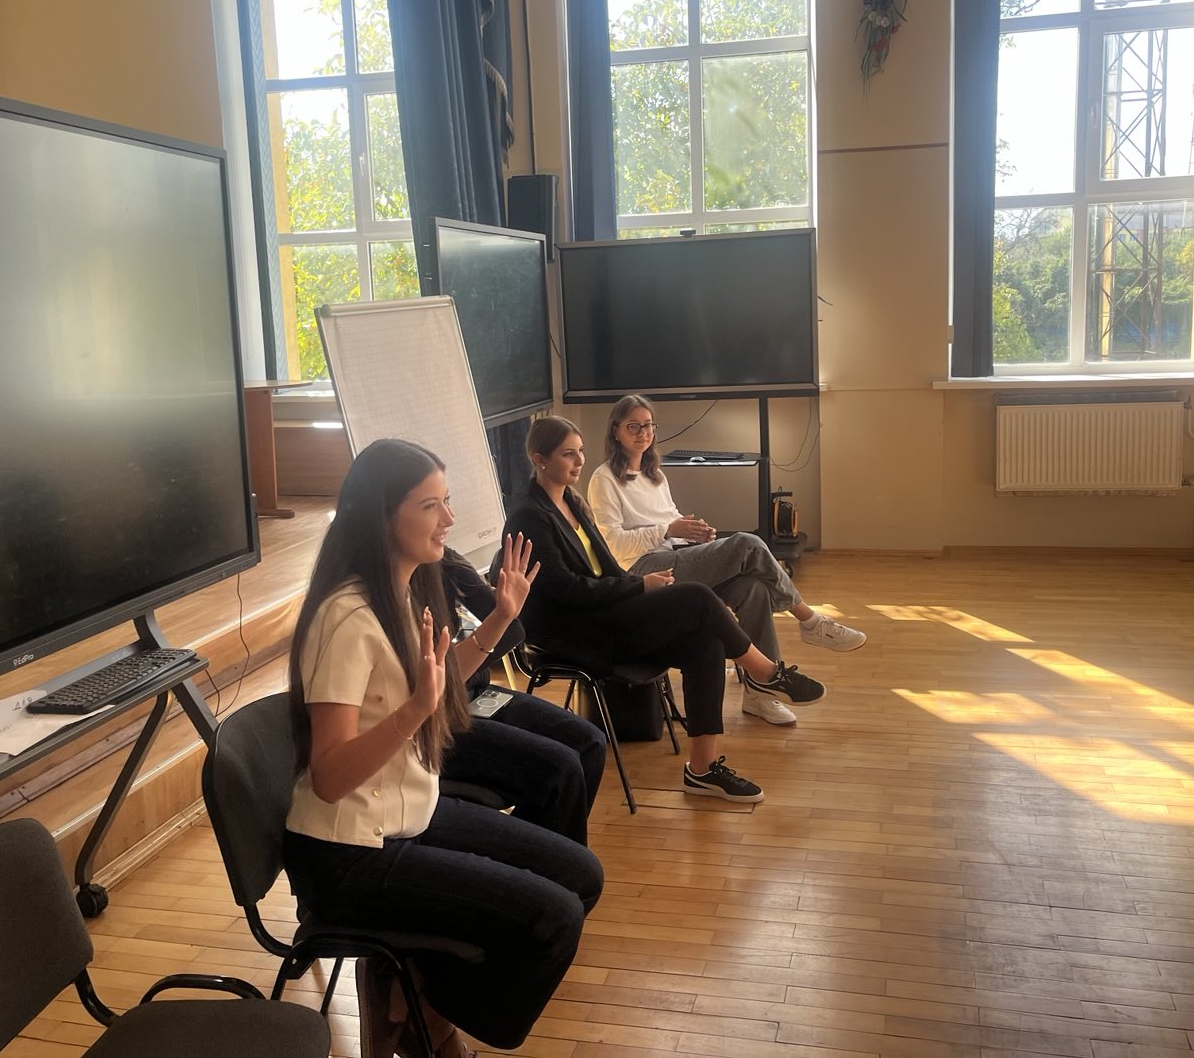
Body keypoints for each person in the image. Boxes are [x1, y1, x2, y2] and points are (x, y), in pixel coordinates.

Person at [281, 439, 603, 1058]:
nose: (449, 519)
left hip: (408, 814)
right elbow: (329, 776)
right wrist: (413, 713)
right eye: (431, 506)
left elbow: (434, 683)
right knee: (553, 919)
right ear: (382, 517)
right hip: (348, 852)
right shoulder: (346, 619)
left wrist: (499, 619)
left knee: (581, 877)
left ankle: (413, 999)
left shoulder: (400, 591)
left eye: (447, 501)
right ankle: (425, 1016)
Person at [503, 416, 826, 804]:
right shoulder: (529, 516)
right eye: (568, 454)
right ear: (539, 459)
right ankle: (766, 673)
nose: (580, 461)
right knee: (697, 598)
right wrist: (640, 586)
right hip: (575, 633)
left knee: (705, 642)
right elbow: (565, 590)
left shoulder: (572, 501)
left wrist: (636, 587)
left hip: (606, 613)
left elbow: (606, 567)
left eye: (581, 451)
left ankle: (702, 770)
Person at [587, 394, 866, 727]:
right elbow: (613, 545)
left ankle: (760, 695)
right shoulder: (604, 479)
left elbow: (670, 520)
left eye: (648, 425)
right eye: (633, 426)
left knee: (753, 589)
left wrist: (694, 534)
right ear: (615, 430)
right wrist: (669, 529)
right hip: (641, 570)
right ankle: (810, 621)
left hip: (673, 556)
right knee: (748, 544)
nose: (643, 433)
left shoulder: (654, 474)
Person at [438, 546, 607, 844]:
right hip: (437, 717)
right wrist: (465, 660)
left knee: (590, 743)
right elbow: (426, 686)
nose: (448, 522)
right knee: (562, 769)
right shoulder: (380, 585)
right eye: (433, 514)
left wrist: (492, 627)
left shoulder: (444, 560)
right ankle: (539, 856)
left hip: (474, 692)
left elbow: (512, 630)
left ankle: (538, 852)